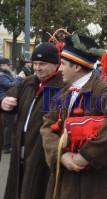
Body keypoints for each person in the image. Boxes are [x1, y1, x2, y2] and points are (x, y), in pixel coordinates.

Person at [40, 34, 107, 199]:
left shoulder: (104, 91)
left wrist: (87, 156)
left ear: (76, 67)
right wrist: (61, 156)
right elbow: (47, 126)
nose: (59, 69)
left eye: (62, 64)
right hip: (65, 181)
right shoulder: (63, 92)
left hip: (95, 184)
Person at [0, 43, 65, 199]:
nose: (37, 68)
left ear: (56, 65)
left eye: (42, 64)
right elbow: (8, 96)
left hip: (42, 153)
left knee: (36, 190)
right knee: (17, 188)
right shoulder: (28, 82)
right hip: (19, 149)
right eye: (35, 63)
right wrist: (3, 101)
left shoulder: (62, 87)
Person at [0, 58, 26, 154]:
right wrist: (19, 77)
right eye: (8, 65)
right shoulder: (2, 75)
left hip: (7, 100)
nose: (9, 66)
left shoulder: (5, 74)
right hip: (5, 101)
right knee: (9, 124)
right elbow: (11, 85)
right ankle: (7, 146)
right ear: (2, 65)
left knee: (9, 124)